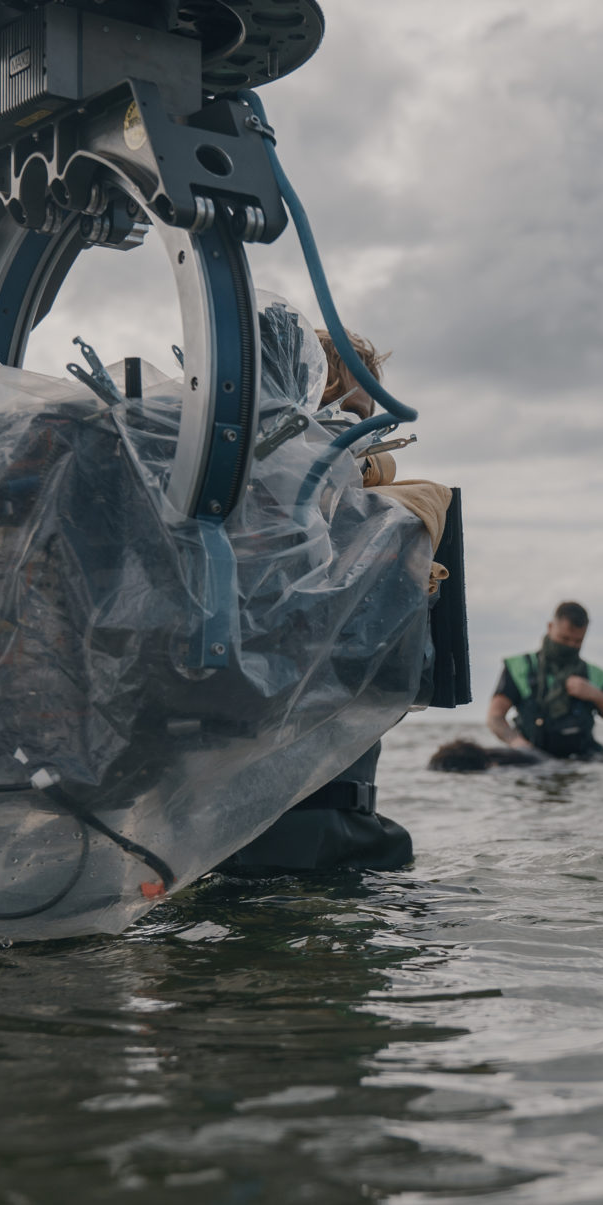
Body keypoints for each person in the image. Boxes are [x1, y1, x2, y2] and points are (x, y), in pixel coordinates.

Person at [216, 327, 418, 875]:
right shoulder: (252, 521)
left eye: (370, 423)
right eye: (349, 418)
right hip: (295, 842)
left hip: (242, 843)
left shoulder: (359, 519)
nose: (362, 439)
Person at [489, 602, 603, 760]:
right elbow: (494, 718)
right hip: (534, 762)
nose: (571, 645)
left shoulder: (594, 674)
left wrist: (595, 694)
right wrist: (517, 743)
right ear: (550, 627)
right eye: (564, 639)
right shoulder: (519, 667)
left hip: (583, 763)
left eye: (577, 641)